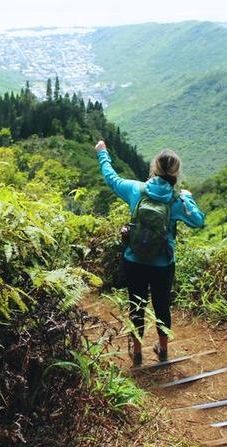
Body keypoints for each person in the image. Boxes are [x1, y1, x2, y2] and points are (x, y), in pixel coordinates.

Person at [95, 140, 205, 366]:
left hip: (133, 260)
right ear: (176, 172)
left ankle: (137, 352)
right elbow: (199, 221)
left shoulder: (136, 189)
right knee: (162, 304)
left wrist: (102, 153)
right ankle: (163, 350)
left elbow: (111, 178)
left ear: (153, 168)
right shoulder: (177, 200)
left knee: (137, 303)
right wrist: (188, 197)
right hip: (163, 263)